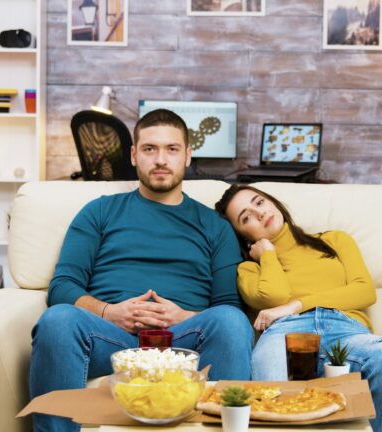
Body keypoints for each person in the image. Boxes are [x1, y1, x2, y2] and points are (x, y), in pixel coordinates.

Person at [29, 109, 253, 432]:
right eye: (150, 149)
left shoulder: (215, 227)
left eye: (172, 149)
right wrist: (109, 312)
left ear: (188, 155)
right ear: (134, 155)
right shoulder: (100, 212)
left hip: (184, 342)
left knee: (232, 323)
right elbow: (62, 286)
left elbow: (230, 307)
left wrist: (183, 318)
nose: (160, 159)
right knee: (58, 319)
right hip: (110, 338)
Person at [214, 184, 382, 432]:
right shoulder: (249, 269)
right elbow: (275, 295)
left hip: (346, 330)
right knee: (273, 385)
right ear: (242, 235)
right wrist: (267, 255)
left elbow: (364, 291)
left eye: (259, 203)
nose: (259, 213)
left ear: (273, 202)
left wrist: (297, 305)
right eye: (246, 217)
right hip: (284, 335)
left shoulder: (334, 240)